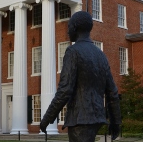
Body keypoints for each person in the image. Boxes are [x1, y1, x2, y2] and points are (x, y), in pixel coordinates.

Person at [40, 11, 121, 142]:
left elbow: (65, 90)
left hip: (80, 118)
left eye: (69, 27)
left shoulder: (73, 51)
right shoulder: (101, 55)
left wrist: (47, 118)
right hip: (96, 118)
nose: (67, 31)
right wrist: (116, 121)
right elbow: (112, 92)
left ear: (75, 27)